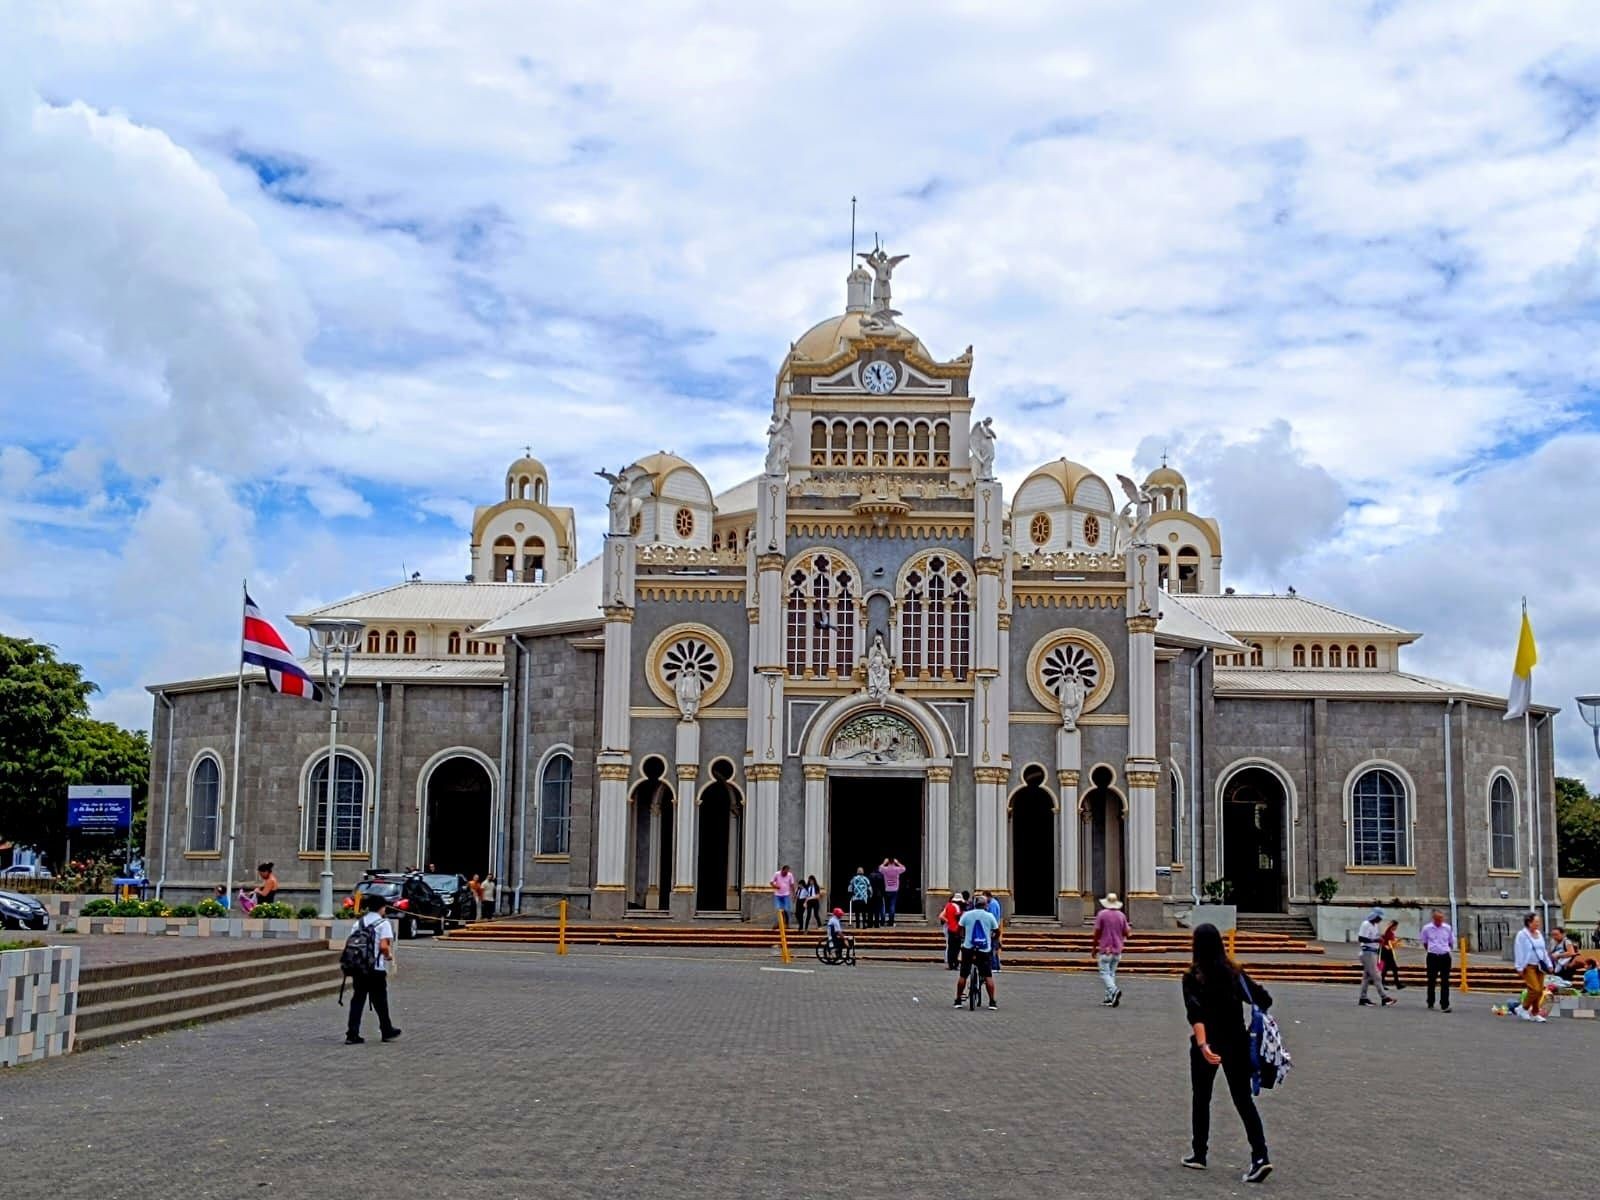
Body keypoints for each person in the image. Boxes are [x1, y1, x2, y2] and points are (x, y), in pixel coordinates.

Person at [1181, 923, 1273, 1183]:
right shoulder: (1235, 974)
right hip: (1237, 1042)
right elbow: (1264, 999)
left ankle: (1199, 1153)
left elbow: (1195, 1013)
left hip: (1207, 1044)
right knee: (1243, 1100)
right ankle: (1260, 1156)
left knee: (1201, 1098)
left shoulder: (1192, 976)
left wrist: (1203, 1046)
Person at [345, 892, 402, 1045]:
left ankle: (352, 1033)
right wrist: (388, 956)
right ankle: (386, 1029)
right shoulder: (383, 924)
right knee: (380, 1001)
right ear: (381, 908)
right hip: (376, 968)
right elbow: (383, 945)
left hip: (359, 967)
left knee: (357, 1000)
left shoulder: (359, 923)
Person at [954, 894, 1000, 1010]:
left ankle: (958, 999)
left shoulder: (967, 915)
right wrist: (993, 938)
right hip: (984, 949)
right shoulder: (989, 916)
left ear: (974, 904)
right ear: (985, 905)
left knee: (963, 975)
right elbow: (996, 931)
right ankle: (992, 1002)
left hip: (968, 948)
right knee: (988, 975)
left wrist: (962, 938)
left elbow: (958, 929)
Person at [1513, 912, 1554, 1022]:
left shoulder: (1539, 934)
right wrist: (1519, 967)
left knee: (1540, 990)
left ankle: (1535, 1013)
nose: (1538, 924)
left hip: (1539, 966)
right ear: (1529, 922)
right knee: (1534, 989)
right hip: (1528, 966)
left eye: (1538, 922)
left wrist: (1549, 964)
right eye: (1536, 922)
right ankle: (1523, 1008)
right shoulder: (1522, 934)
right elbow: (1519, 951)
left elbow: (1543, 950)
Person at [1093, 892, 1129, 1007]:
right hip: (1117, 949)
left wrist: (1094, 947)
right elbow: (1127, 932)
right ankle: (1109, 997)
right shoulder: (1121, 915)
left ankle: (1113, 990)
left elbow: (1097, 932)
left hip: (1105, 949)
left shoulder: (1102, 914)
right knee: (1112, 972)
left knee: (1104, 972)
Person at [1357, 908, 1397, 1007]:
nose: (1380, 920)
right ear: (1375, 916)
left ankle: (1363, 998)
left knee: (1367, 977)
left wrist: (1379, 939)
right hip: (1368, 952)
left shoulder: (1374, 925)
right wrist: (1375, 940)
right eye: (1379, 918)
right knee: (1377, 975)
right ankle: (1384, 997)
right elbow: (1361, 938)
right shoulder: (1366, 924)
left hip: (1373, 952)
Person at [1417, 909, 1454, 1013]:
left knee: (1445, 981)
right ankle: (1430, 1001)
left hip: (1445, 956)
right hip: (1432, 956)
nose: (1440, 921)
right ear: (1433, 918)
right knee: (1431, 980)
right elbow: (1424, 942)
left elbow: (1451, 942)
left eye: (1441, 919)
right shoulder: (1427, 928)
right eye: (1438, 919)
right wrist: (1432, 949)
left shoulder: (1447, 928)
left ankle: (1445, 1004)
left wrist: (1445, 949)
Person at [939, 891, 965, 970]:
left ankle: (951, 964)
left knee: (950, 947)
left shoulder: (948, 905)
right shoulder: (956, 907)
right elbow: (958, 917)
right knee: (956, 948)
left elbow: (944, 915)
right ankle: (955, 963)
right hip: (956, 929)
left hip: (950, 928)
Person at [879, 857, 906, 927]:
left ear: (888, 862)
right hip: (894, 889)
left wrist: (884, 863)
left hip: (886, 889)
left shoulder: (885, 869)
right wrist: (898, 863)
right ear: (894, 862)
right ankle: (891, 922)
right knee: (892, 906)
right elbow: (904, 868)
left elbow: (879, 868)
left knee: (884, 906)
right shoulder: (897, 869)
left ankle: (882, 920)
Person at [1379, 919, 1404, 990]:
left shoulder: (1389, 932)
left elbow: (1389, 943)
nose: (1396, 928)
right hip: (1387, 952)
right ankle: (1397, 984)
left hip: (1387, 952)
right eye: (1396, 926)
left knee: (1389, 968)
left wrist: (1397, 942)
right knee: (1391, 968)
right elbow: (1390, 944)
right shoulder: (1389, 932)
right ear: (1394, 926)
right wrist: (1397, 942)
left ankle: (1397, 984)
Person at [770, 864, 796, 929]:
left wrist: (794, 894)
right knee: (779, 910)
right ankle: (780, 923)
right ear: (782, 870)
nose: (785, 874)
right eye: (784, 872)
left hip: (786, 895)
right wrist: (775, 886)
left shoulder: (790, 875)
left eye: (786, 872)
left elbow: (792, 885)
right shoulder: (777, 874)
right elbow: (771, 882)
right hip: (778, 895)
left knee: (787, 910)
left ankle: (786, 923)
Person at [984, 890, 1004, 972]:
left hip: (993, 929)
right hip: (995, 928)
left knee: (992, 948)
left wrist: (991, 930)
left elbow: (992, 918)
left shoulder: (992, 904)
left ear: (988, 896)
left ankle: (994, 966)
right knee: (994, 948)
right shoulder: (994, 903)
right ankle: (996, 966)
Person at [868, 863, 887, 927]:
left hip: (871, 894)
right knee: (877, 910)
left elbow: (868, 885)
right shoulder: (881, 876)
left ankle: (870, 923)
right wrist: (883, 894)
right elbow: (883, 886)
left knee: (870, 910)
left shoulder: (870, 875)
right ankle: (876, 924)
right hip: (879, 895)